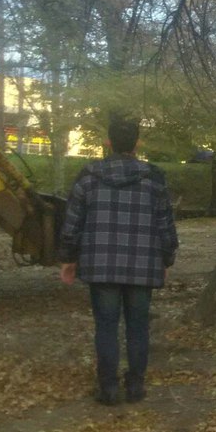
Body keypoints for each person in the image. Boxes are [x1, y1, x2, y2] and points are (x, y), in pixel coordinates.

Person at [59, 116, 179, 406]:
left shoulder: (88, 176)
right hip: (142, 265)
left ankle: (108, 388)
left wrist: (68, 258)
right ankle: (136, 386)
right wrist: (167, 258)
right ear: (137, 144)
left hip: (101, 265)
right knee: (138, 326)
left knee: (106, 326)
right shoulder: (154, 178)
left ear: (108, 142)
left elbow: (72, 222)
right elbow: (165, 224)